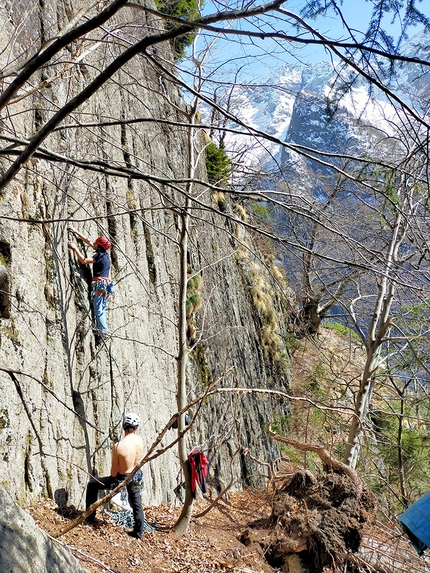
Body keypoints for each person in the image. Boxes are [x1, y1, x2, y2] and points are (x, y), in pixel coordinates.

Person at [85, 412, 145, 540]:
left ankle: (89, 517)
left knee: (92, 485)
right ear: (136, 427)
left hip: (122, 479)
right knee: (136, 503)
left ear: (124, 426)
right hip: (136, 475)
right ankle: (138, 534)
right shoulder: (139, 441)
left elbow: (113, 473)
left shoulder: (118, 446)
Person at [67, 225, 112, 337]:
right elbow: (89, 242)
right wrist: (76, 231)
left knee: (98, 310)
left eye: (96, 242)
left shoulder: (100, 256)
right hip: (105, 286)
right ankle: (102, 331)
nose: (94, 243)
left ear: (99, 245)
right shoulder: (103, 255)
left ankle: (104, 333)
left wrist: (74, 248)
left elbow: (83, 261)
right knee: (100, 309)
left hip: (101, 285)